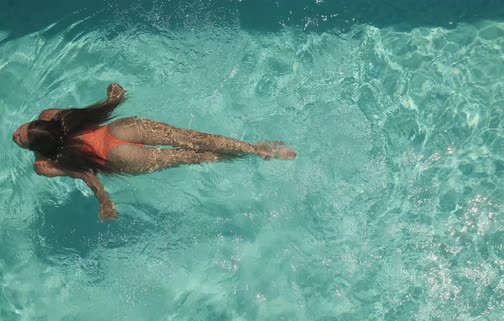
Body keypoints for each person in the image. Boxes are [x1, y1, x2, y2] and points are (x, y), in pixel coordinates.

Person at [12, 83, 296, 220]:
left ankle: (251, 154)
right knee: (191, 138)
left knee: (188, 156)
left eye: (21, 135)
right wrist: (113, 99)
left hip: (121, 158)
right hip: (120, 130)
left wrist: (105, 203)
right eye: (22, 136)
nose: (16, 134)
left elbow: (87, 176)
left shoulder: (45, 165)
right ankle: (255, 149)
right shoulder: (53, 116)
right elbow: (87, 114)